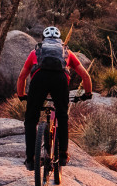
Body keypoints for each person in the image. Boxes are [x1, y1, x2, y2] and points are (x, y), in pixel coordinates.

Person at [16, 26, 93, 171]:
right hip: (60, 80)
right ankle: (63, 155)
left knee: (31, 120)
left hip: (39, 80)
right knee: (62, 116)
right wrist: (88, 94)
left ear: (44, 39)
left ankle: (30, 159)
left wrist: (21, 95)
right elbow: (85, 75)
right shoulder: (67, 52)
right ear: (59, 40)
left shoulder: (35, 52)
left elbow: (22, 77)